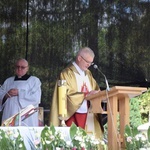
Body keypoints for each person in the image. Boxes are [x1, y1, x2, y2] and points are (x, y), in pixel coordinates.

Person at [49, 47, 104, 138]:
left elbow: (95, 90)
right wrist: (85, 95)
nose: (89, 65)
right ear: (79, 58)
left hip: (88, 115)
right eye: (87, 62)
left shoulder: (88, 74)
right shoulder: (66, 73)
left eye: (91, 62)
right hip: (72, 115)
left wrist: (98, 94)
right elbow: (66, 95)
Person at [0, 58, 42, 126]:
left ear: (27, 68)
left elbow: (36, 98)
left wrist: (19, 93)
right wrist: (6, 95)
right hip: (9, 114)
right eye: (17, 67)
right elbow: (1, 95)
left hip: (27, 118)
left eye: (22, 67)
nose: (19, 69)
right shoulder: (8, 81)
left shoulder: (34, 81)